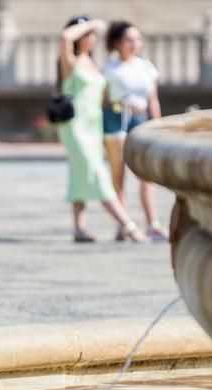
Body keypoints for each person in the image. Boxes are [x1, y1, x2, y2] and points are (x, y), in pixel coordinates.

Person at [57, 16, 147, 243]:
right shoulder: (70, 61)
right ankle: (128, 225)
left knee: (79, 174)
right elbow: (64, 37)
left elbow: (104, 98)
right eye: (86, 34)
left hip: (94, 126)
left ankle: (79, 228)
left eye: (92, 35)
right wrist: (90, 24)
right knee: (98, 174)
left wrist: (126, 104)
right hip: (75, 127)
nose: (90, 38)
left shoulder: (94, 64)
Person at [102, 21, 169, 242]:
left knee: (145, 174)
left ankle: (153, 223)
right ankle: (125, 224)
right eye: (129, 39)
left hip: (139, 118)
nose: (134, 44)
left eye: (137, 39)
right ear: (117, 43)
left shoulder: (146, 66)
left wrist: (157, 125)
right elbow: (102, 98)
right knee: (118, 174)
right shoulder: (109, 68)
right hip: (116, 117)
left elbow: (153, 99)